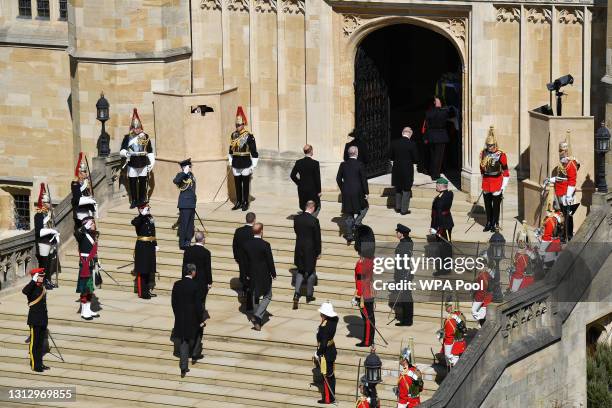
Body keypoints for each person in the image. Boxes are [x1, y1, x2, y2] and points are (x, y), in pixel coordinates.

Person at [171, 263, 204, 377]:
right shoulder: (195, 285)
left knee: (184, 341)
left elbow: (173, 302)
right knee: (199, 333)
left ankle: (183, 367)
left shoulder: (177, 284)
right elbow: (198, 305)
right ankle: (195, 354)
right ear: (192, 272)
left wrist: (177, 314)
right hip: (192, 317)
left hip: (180, 317)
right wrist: (201, 319)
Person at [243, 223, 276, 331]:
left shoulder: (246, 244)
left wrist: (246, 274)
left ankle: (257, 321)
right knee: (268, 295)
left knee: (255, 296)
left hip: (252, 274)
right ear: (261, 231)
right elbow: (269, 260)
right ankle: (258, 315)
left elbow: (245, 262)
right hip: (264, 274)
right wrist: (273, 273)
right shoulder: (265, 244)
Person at [120, 108, 155, 208]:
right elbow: (122, 150)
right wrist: (126, 153)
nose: (136, 130)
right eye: (135, 128)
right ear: (132, 128)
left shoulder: (145, 136)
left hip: (143, 162)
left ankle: (142, 199)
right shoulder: (127, 137)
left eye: (138, 128)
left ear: (140, 128)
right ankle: (134, 200)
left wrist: (152, 163)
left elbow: (150, 151)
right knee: (132, 182)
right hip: (132, 162)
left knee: (143, 182)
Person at [546, 140, 580, 242]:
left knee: (568, 215)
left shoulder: (571, 163)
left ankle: (568, 235)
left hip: (566, 193)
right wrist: (550, 179)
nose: (562, 152)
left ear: (567, 151)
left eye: (564, 150)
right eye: (560, 150)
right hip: (560, 191)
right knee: (562, 214)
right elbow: (560, 177)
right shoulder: (562, 163)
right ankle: (562, 234)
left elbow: (572, 180)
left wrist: (569, 195)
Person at [479, 126, 510, 232]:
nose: (489, 147)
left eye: (491, 145)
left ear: (495, 144)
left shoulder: (501, 154)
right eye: (488, 145)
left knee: (496, 205)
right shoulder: (483, 153)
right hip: (487, 181)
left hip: (497, 181)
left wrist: (504, 186)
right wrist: (483, 178)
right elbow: (482, 168)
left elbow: (505, 171)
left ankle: (495, 223)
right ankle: (488, 222)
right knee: (487, 204)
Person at [229, 106, 259, 211]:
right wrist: (230, 161)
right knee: (237, 184)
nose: (237, 126)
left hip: (246, 162)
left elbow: (254, 151)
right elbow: (231, 150)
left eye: (239, 124)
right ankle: (238, 201)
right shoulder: (233, 135)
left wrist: (253, 165)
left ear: (243, 124)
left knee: (245, 184)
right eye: (236, 124)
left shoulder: (249, 136)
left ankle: (246, 202)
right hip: (236, 162)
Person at [293, 200, 321, 310]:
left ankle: (296, 294)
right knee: (310, 271)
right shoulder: (314, 221)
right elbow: (317, 238)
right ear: (313, 208)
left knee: (300, 270)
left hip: (299, 247)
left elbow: (296, 231)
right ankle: (309, 295)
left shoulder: (297, 218)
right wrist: (318, 252)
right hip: (310, 249)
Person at [337, 146, 369, 243]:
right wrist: (366, 192)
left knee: (349, 213)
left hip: (346, 192)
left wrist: (343, 189)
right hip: (358, 192)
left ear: (348, 153)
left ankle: (350, 235)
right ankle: (357, 222)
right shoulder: (360, 164)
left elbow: (338, 179)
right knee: (365, 207)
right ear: (357, 153)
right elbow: (364, 180)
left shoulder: (343, 164)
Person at [22, 268, 49, 372]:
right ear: (35, 276)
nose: (42, 278)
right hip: (34, 320)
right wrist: (33, 280)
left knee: (40, 344)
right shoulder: (31, 288)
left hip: (42, 319)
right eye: (40, 276)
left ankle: (40, 363)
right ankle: (35, 365)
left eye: (42, 276)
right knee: (34, 343)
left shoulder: (42, 287)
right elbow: (25, 291)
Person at [353, 224, 375, 347]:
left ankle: (367, 341)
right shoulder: (370, 259)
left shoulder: (362, 263)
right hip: (369, 291)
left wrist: (358, 295)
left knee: (367, 318)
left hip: (364, 294)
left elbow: (361, 281)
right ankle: (369, 339)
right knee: (369, 317)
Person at [34, 183, 60, 289]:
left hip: (50, 242)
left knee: (49, 263)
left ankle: (47, 280)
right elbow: (40, 231)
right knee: (43, 265)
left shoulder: (49, 214)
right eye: (48, 202)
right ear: (43, 203)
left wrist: (55, 233)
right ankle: (41, 282)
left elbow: (52, 226)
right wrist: (52, 231)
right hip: (43, 242)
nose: (50, 204)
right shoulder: (39, 215)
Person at [74, 216, 100, 321]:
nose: (94, 225)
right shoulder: (82, 234)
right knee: (85, 288)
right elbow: (77, 235)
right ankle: (84, 312)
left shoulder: (93, 235)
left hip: (92, 263)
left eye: (93, 223)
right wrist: (84, 228)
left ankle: (88, 309)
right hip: (85, 263)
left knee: (90, 288)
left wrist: (98, 261)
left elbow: (94, 251)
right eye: (92, 223)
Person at [423, 96, 454, 180]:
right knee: (439, 157)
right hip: (441, 136)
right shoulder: (444, 112)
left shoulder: (428, 112)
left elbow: (426, 125)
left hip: (431, 136)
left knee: (433, 155)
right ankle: (435, 175)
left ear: (434, 102)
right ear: (440, 102)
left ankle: (432, 171)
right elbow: (453, 114)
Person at [182, 231, 213, 315]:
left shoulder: (188, 250)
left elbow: (184, 266)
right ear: (202, 239)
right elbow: (208, 269)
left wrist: (183, 279)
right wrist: (209, 282)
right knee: (201, 301)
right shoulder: (206, 252)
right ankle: (199, 317)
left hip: (189, 280)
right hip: (201, 281)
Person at [390, 127, 419, 215]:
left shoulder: (394, 143)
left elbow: (390, 156)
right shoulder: (412, 144)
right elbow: (416, 158)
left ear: (402, 133)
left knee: (398, 187)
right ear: (410, 134)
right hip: (407, 168)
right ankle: (404, 210)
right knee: (406, 189)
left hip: (396, 168)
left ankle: (398, 207)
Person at [131, 203, 157, 299]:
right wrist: (142, 215)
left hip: (150, 246)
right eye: (146, 208)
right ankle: (142, 292)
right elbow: (134, 223)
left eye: (148, 208)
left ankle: (147, 291)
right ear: (140, 209)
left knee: (149, 269)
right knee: (142, 270)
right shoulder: (139, 219)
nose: (148, 209)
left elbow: (153, 232)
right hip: (142, 247)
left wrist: (155, 244)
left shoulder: (150, 218)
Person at [315, 301, 338, 405]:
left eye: (322, 314)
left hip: (326, 353)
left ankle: (328, 398)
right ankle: (332, 395)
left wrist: (318, 352)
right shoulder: (334, 320)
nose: (320, 315)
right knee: (331, 375)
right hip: (332, 350)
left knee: (326, 376)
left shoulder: (324, 328)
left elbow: (323, 344)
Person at [430, 178, 454, 276]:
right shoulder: (446, 194)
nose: (436, 186)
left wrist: (435, 227)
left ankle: (445, 269)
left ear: (440, 186)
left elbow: (438, 214)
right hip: (444, 223)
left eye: (437, 185)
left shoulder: (442, 198)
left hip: (443, 225)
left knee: (445, 247)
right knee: (443, 247)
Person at [232, 212, 256, 309]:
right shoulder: (255, 231)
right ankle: (250, 304)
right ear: (254, 220)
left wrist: (237, 258)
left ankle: (244, 290)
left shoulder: (239, 231)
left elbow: (234, 246)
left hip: (242, 259)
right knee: (252, 280)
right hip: (252, 260)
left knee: (244, 275)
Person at [290, 144, 322, 216]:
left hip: (302, 188)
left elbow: (292, 175)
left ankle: (305, 219)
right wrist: (319, 191)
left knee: (304, 206)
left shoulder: (299, 162)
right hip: (312, 189)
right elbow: (317, 178)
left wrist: (299, 183)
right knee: (316, 206)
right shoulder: (315, 163)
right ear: (311, 151)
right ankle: (311, 221)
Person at [173, 158, 197, 249]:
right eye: (188, 166)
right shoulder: (181, 175)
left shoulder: (191, 175)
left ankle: (188, 241)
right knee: (184, 224)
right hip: (184, 203)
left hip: (191, 203)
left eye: (190, 166)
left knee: (190, 224)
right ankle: (182, 243)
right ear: (184, 167)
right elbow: (176, 181)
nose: (190, 168)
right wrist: (184, 173)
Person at [392, 224, 414, 326]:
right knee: (406, 296)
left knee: (406, 297)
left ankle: (407, 320)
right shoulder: (406, 242)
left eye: (397, 232)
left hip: (403, 274)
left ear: (402, 234)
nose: (396, 233)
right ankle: (406, 318)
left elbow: (404, 262)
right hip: (404, 273)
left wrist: (403, 276)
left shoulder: (404, 245)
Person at [71, 152, 97, 231]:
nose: (86, 173)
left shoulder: (87, 183)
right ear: (79, 173)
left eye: (86, 171)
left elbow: (90, 195)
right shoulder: (75, 184)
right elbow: (77, 198)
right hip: (80, 213)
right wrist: (88, 199)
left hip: (87, 212)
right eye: (84, 172)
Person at [509, 224, 537, 292]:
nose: (521, 243)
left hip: (523, 273)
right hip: (520, 272)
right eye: (520, 242)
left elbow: (533, 257)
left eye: (522, 242)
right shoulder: (519, 253)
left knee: (514, 289)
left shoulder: (526, 252)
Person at [440, 302, 466, 367]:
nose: (446, 307)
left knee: (451, 364)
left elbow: (449, 334)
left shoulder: (450, 319)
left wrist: (442, 337)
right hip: (459, 342)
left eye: (448, 306)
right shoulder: (460, 314)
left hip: (451, 343)